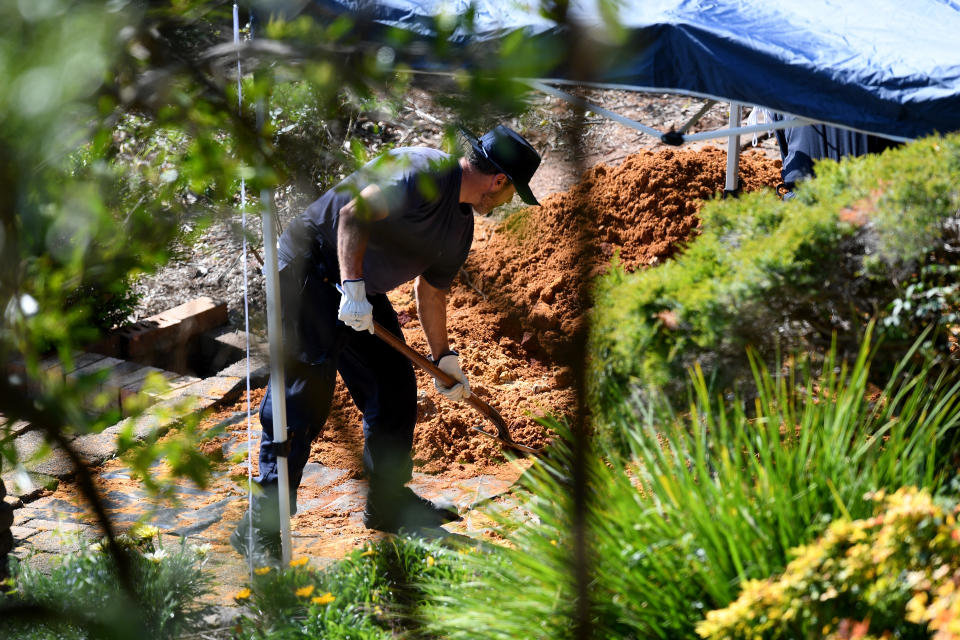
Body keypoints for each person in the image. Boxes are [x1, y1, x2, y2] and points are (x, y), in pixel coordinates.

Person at [231, 125, 542, 561]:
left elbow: (431, 292)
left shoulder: (460, 227)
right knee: (302, 395)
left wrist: (444, 357)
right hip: (311, 265)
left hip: (357, 288)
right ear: (499, 181)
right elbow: (353, 215)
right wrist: (353, 287)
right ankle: (260, 524)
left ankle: (387, 504)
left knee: (394, 384)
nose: (508, 203)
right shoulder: (422, 172)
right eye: (513, 193)